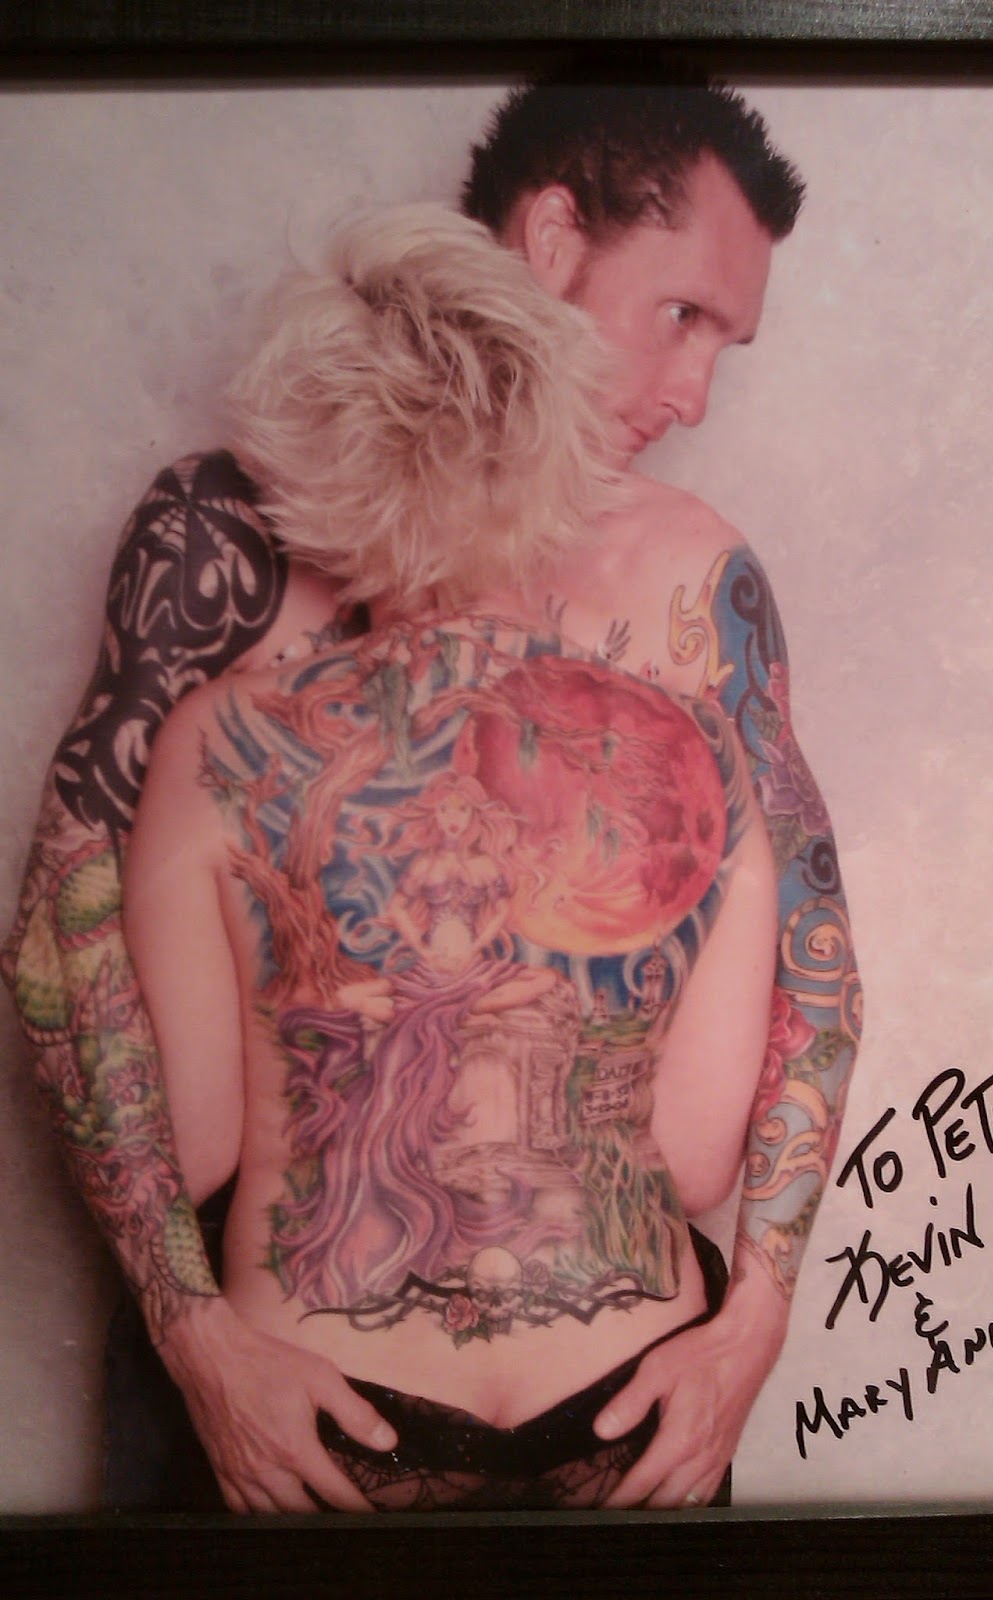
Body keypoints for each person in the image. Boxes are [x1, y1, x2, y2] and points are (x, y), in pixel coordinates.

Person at [2, 72, 861, 1511]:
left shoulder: (694, 573)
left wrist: (758, 1322)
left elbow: (162, 1076)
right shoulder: (226, 526)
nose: (694, 393)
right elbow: (703, 1144)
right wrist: (189, 1334)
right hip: (515, 1368)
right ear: (549, 240)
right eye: (682, 314)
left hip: (331, 1342)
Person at [125, 203, 779, 1512]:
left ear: (326, 468)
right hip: (628, 1403)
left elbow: (186, 1150)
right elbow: (699, 1164)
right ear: (555, 451)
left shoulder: (222, 745)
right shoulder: (694, 748)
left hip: (326, 1405)